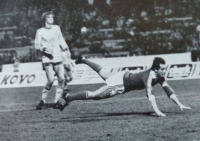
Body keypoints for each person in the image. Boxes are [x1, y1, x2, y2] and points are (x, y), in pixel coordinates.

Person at [57, 56, 191, 117]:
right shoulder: (149, 75)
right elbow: (150, 95)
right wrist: (157, 111)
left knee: (104, 72)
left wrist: (180, 104)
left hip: (123, 76)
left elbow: (168, 91)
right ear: (156, 69)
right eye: (162, 68)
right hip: (120, 83)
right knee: (95, 96)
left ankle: (83, 59)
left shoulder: (159, 76)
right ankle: (68, 96)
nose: (164, 70)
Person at [34, 10, 69, 110]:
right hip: (47, 58)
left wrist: (66, 49)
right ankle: (43, 100)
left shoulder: (57, 28)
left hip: (58, 57)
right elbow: (36, 45)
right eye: (50, 17)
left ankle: (56, 101)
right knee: (50, 80)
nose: (52, 19)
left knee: (62, 79)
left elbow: (61, 39)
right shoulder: (40, 31)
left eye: (52, 17)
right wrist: (43, 49)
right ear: (45, 19)